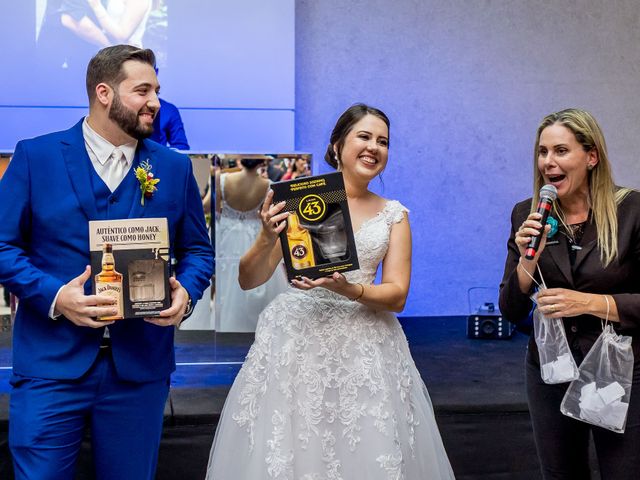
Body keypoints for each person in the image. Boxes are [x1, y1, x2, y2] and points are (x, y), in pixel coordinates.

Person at [206, 104, 455, 479]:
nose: (374, 147)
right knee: (295, 446)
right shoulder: (298, 200)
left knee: (364, 445)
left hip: (365, 344)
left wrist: (349, 288)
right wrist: (264, 238)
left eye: (383, 142)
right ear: (337, 146)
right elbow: (248, 279)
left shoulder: (395, 215)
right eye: (364, 137)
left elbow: (397, 295)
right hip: (297, 341)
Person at [0, 45, 213, 480]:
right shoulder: (35, 157)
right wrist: (57, 296)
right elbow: (2, 246)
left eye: (157, 89)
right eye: (143, 90)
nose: (155, 101)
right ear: (104, 92)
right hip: (49, 368)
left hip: (139, 372)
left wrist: (185, 292)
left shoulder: (172, 168)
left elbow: (198, 251)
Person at [499, 108, 640, 479]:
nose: (548, 162)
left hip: (620, 368)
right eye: (542, 152)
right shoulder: (525, 215)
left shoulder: (632, 212)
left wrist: (591, 303)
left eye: (561, 151)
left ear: (591, 157)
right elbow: (511, 309)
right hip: (552, 367)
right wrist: (528, 259)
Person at [214, 158, 288, 332]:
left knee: (227, 276)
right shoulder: (267, 184)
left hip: (227, 234)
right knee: (257, 275)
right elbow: (266, 214)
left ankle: (227, 321)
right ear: (261, 162)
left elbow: (214, 209)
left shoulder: (222, 179)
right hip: (254, 234)